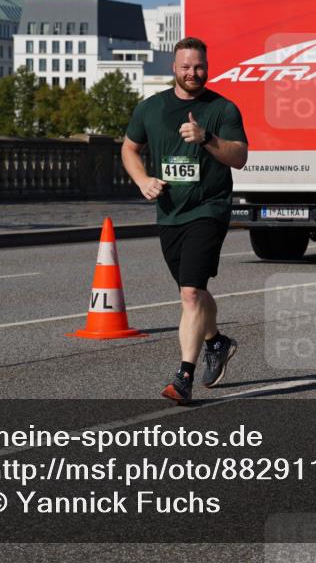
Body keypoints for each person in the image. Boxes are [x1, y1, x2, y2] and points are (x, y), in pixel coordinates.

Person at [121, 37, 248, 406]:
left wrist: (206, 138)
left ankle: (184, 377)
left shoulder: (222, 109)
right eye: (186, 67)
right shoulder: (151, 108)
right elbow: (130, 148)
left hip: (209, 208)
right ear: (174, 68)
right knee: (193, 289)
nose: (193, 73)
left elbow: (239, 157)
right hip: (170, 212)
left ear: (207, 68)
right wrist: (143, 179)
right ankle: (215, 341)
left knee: (190, 293)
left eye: (199, 67)